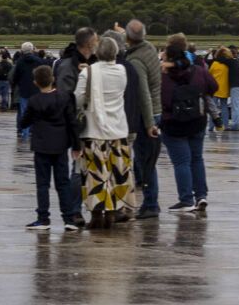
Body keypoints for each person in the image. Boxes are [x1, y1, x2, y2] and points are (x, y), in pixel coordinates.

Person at [74, 34, 133, 227]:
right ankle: (114, 211)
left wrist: (87, 74)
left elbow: (78, 99)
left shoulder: (88, 73)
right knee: (117, 173)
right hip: (118, 130)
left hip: (94, 130)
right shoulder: (122, 71)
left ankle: (97, 214)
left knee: (95, 175)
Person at [19, 63, 82, 231]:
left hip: (41, 146)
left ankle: (43, 218)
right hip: (60, 145)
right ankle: (69, 218)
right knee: (63, 183)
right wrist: (76, 145)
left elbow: (23, 122)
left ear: (35, 82)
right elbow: (72, 122)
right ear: (53, 79)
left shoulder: (34, 101)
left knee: (42, 184)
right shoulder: (64, 97)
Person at [158, 34, 216, 214]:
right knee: (197, 158)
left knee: (181, 162)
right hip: (197, 120)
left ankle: (186, 199)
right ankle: (201, 195)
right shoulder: (198, 70)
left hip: (173, 122)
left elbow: (164, 99)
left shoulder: (163, 75)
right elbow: (213, 86)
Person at [120, 22, 162, 218]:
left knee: (146, 161)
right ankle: (150, 201)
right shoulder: (150, 49)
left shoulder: (136, 60)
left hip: (147, 114)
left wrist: (148, 124)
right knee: (147, 160)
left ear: (128, 38)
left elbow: (143, 93)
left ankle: (151, 203)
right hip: (156, 109)